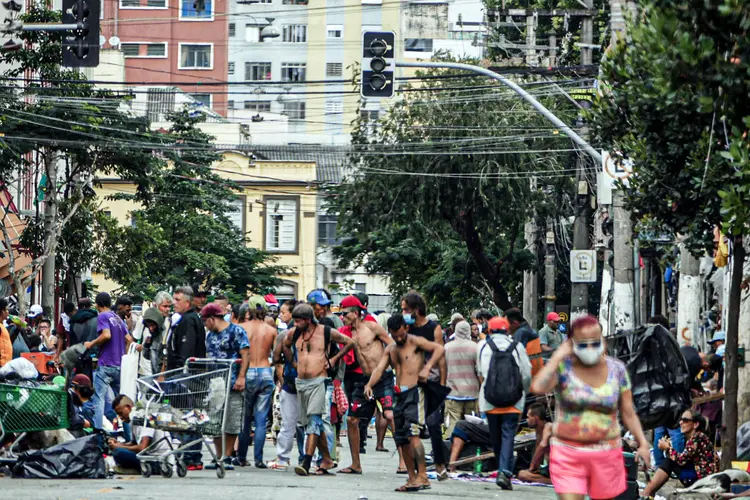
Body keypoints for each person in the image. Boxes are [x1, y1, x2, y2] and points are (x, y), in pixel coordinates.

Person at [531, 314, 651, 500]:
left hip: (606, 453)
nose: (589, 348)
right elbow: (538, 387)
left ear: (602, 341)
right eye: (583, 343)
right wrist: (558, 356)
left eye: (594, 342)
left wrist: (643, 443)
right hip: (568, 452)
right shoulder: (564, 367)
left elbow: (628, 412)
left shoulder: (617, 370)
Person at [365, 314, 445, 492]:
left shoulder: (416, 341)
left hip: (415, 392)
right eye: (395, 335)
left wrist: (426, 368)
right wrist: (369, 384)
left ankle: (423, 476)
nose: (399, 338)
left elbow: (439, 350)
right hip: (399, 394)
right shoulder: (391, 349)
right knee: (401, 438)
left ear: (406, 328)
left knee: (413, 434)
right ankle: (411, 477)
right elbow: (380, 368)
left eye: (401, 334)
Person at [282, 303, 354, 476]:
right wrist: (293, 362)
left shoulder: (326, 332)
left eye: (299, 321)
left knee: (314, 419)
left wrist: (335, 359)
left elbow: (350, 342)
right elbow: (285, 345)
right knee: (309, 423)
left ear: (308, 320)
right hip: (301, 383)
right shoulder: (295, 332)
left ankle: (306, 462)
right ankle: (327, 459)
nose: (296, 324)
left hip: (319, 381)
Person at [337, 295, 397, 475]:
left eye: (345, 313)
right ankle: (356, 464)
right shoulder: (346, 333)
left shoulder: (372, 327)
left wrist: (393, 367)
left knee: (390, 415)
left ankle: (404, 462)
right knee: (351, 419)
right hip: (363, 380)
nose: (343, 316)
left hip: (383, 377)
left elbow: (393, 345)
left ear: (355, 313)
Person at [476, 316, 532, 490]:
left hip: (490, 400)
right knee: (508, 434)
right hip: (513, 400)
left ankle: (503, 470)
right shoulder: (517, 347)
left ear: (489, 330)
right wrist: (523, 392)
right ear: (507, 330)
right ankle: (504, 471)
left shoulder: (483, 346)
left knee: (496, 437)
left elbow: (481, 372)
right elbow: (526, 374)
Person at [401, 291, 449, 480]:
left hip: (432, 382)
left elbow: (442, 358)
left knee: (434, 424)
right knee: (411, 426)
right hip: (411, 383)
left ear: (416, 310)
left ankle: (439, 465)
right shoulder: (406, 328)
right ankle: (414, 467)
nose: (403, 312)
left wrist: (443, 384)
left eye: (406, 309)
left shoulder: (433, 328)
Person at [201, 303, 251, 471]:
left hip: (233, 381)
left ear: (212, 319)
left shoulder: (236, 332)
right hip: (215, 383)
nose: (204, 325)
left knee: (232, 419)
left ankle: (227, 456)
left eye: (205, 321)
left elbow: (245, 354)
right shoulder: (209, 335)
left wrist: (241, 377)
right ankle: (218, 455)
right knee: (214, 420)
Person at [236, 297, 277, 468]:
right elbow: (275, 355)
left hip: (247, 372)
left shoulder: (241, 328)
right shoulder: (271, 330)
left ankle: (242, 457)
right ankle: (258, 459)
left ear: (249, 310)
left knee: (244, 419)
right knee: (261, 420)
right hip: (265, 371)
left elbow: (237, 352)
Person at [641, 409, 719, 499]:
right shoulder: (695, 437)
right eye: (680, 420)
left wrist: (667, 448)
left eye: (685, 420)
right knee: (670, 461)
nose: (681, 423)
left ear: (695, 424)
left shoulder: (697, 438)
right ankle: (649, 492)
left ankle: (646, 493)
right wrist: (669, 448)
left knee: (669, 462)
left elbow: (681, 460)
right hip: (700, 478)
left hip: (701, 482)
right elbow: (684, 458)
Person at [86, 292, 133, 431]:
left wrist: (91, 344)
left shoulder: (103, 316)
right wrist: (122, 354)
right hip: (120, 366)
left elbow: (106, 335)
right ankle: (128, 434)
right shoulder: (117, 318)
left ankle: (98, 432)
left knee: (98, 399)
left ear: (97, 304)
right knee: (123, 401)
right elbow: (129, 339)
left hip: (106, 364)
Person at [268, 299, 305, 470]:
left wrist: (283, 378)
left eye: (283, 312)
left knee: (289, 423)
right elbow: (277, 359)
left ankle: (284, 458)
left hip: (296, 382)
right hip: (297, 381)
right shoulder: (293, 334)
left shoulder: (285, 335)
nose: (280, 315)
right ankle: (304, 458)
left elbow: (276, 359)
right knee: (302, 423)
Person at [110, 394, 171, 474]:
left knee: (118, 452)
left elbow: (142, 447)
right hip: (147, 455)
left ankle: (137, 469)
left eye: (120, 413)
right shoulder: (133, 420)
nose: (120, 417)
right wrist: (118, 444)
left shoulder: (143, 417)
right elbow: (134, 443)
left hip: (156, 460)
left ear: (128, 407)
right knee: (116, 450)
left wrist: (119, 446)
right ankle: (132, 468)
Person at [444, 320, 480, 438]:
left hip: (452, 392)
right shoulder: (475, 347)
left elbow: (443, 369)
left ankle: (450, 449)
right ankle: (468, 452)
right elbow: (479, 371)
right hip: (472, 392)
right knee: (470, 424)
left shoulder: (447, 347)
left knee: (453, 423)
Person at [166, 286, 206, 371]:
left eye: (177, 300)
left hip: (186, 376)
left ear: (187, 303)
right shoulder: (188, 318)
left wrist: (180, 372)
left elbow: (187, 350)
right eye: (174, 299)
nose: (173, 303)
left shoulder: (189, 320)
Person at [517, 403, 553, 485]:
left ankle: (556, 482)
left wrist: (532, 466)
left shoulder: (548, 426)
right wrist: (535, 469)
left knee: (524, 474)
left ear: (535, 418)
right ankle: (552, 481)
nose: (526, 420)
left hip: (561, 467)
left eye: (528, 417)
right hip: (550, 470)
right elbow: (538, 455)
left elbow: (543, 445)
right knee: (522, 474)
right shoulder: (537, 432)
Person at [505, 307, 543, 375]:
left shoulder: (521, 332)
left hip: (529, 374)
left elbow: (516, 356)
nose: (504, 327)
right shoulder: (527, 329)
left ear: (515, 323)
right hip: (536, 372)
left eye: (506, 324)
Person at [0, 298, 12, 367]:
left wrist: (17, 329)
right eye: (6, 309)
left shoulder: (2, 326)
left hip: (5, 366)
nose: (8, 312)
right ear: (2, 312)